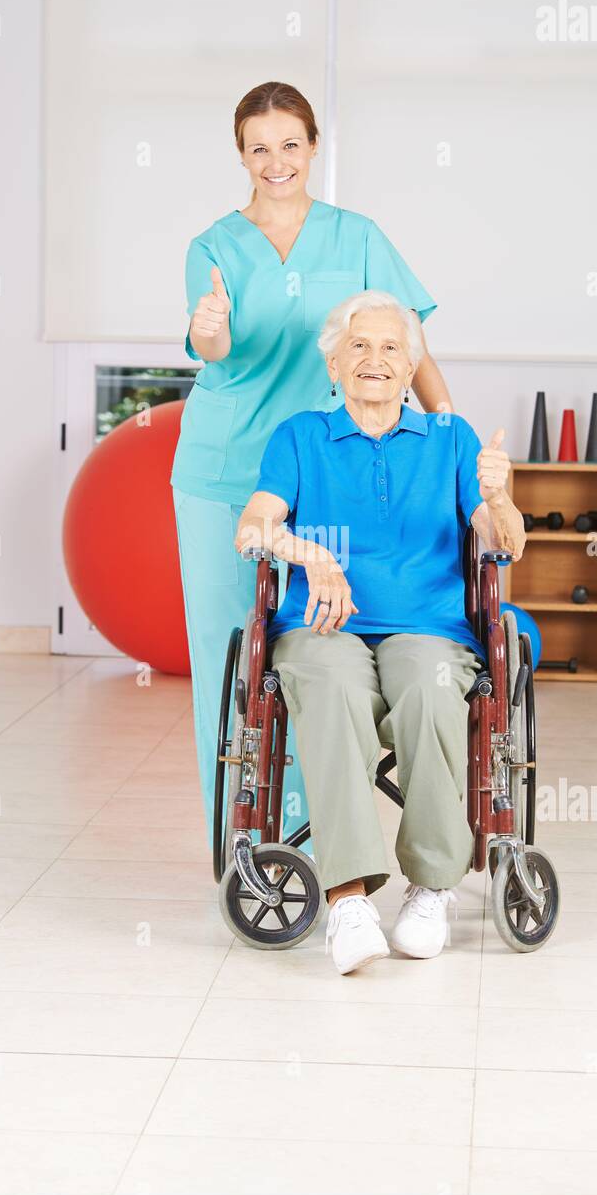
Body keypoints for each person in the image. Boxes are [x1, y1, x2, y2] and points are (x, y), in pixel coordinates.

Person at [171, 81, 452, 846]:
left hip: (326, 470)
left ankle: (312, 836)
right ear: (240, 154)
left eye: (289, 144)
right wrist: (209, 330)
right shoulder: (214, 247)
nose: (275, 161)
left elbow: (408, 342)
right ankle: (238, 843)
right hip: (225, 470)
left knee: (315, 650)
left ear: (313, 146)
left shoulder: (356, 236)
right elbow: (215, 351)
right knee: (235, 662)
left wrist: (445, 431)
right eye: (258, 147)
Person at [235, 290, 529, 975]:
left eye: (391, 347)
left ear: (411, 367)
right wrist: (311, 555)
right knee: (332, 689)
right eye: (358, 346)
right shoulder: (300, 437)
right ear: (333, 364)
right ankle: (346, 902)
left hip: (427, 629)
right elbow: (252, 527)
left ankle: (431, 889)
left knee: (429, 692)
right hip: (321, 627)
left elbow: (504, 543)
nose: (374, 360)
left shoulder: (450, 439)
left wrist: (495, 496)